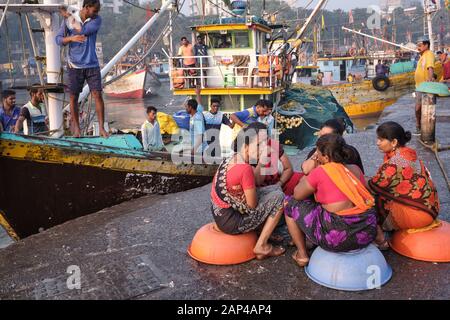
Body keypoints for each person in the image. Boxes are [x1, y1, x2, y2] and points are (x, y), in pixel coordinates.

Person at [284, 134, 378, 267]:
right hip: (366, 232)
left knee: (289, 202)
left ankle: (302, 254)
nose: (316, 156)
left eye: (317, 153)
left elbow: (297, 195)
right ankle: (380, 240)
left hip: (337, 238)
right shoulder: (355, 169)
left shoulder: (320, 171)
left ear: (326, 157)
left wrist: (311, 173)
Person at [210, 122, 286, 259]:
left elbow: (256, 183)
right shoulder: (245, 169)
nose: (263, 149)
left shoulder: (231, 159)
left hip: (220, 214)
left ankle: (262, 230)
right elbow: (252, 206)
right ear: (245, 146)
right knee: (280, 198)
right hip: (231, 222)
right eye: (258, 145)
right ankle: (261, 245)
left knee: (275, 188)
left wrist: (262, 161)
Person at [368, 122, 439, 248]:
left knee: (368, 199)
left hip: (418, 215)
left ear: (394, 142)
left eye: (381, 139)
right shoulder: (409, 153)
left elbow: (374, 185)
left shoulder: (395, 162)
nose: (377, 143)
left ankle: (380, 239)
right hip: (431, 209)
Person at [55, 0, 108, 138]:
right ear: (86, 7)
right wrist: (71, 38)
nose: (97, 13)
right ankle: (77, 129)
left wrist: (68, 17)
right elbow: (58, 40)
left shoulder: (96, 20)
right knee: (73, 97)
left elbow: (83, 31)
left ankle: (102, 128)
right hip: (74, 65)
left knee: (97, 95)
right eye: (94, 10)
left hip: (92, 64)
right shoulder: (68, 21)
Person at [414, 37, 435, 135]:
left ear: (426, 45)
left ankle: (421, 128)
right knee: (418, 108)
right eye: (418, 45)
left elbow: (430, 67)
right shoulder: (422, 56)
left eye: (420, 45)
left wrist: (430, 79)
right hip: (419, 86)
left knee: (420, 108)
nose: (418, 47)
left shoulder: (429, 54)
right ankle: (418, 126)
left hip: (424, 86)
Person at [185, 86, 207, 155]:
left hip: (199, 150)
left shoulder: (197, 119)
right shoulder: (197, 111)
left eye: (186, 107)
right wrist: (198, 93)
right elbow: (199, 103)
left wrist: (193, 150)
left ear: (190, 107)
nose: (185, 109)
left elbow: (201, 136)